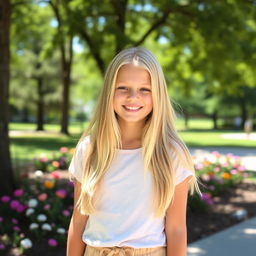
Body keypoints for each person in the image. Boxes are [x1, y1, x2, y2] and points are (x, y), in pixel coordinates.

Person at [67, 47, 202, 256]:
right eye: (122, 87)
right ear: (109, 91)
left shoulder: (171, 153)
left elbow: (176, 229)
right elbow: (78, 222)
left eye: (144, 89)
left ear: (158, 93)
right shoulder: (89, 149)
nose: (133, 97)